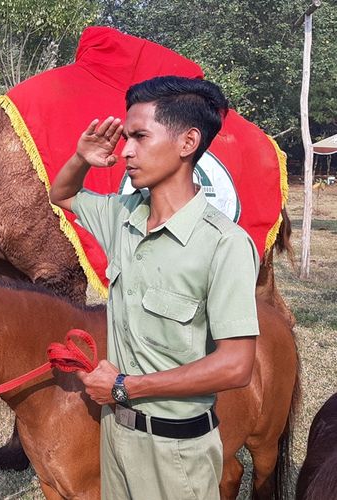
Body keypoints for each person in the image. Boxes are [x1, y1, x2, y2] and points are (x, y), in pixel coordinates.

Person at [49, 76, 259, 500]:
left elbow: (237, 366)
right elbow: (62, 194)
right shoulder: (123, 217)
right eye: (126, 137)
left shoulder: (224, 244)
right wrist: (81, 157)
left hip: (177, 452)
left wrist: (125, 386)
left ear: (187, 142)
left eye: (140, 137)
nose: (125, 150)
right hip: (116, 436)